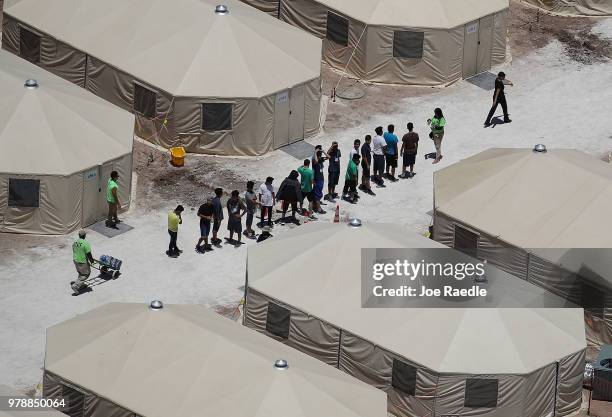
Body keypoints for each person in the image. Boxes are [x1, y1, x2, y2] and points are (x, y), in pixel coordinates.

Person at [71, 229, 94, 294]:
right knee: (86, 274)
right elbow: (89, 254)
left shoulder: (75, 242)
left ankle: (81, 285)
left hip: (75, 260)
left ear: (79, 235)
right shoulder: (85, 243)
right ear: (85, 235)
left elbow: (73, 249)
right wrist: (91, 261)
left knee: (81, 273)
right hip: (82, 261)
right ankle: (76, 285)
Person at [311, 149, 326, 214]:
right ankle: (319, 209)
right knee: (317, 195)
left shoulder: (320, 161)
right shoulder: (315, 162)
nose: (321, 157)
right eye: (319, 156)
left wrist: (323, 151)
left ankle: (314, 206)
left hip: (321, 180)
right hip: (317, 180)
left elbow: (328, 157)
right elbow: (316, 160)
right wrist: (315, 152)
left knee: (317, 193)